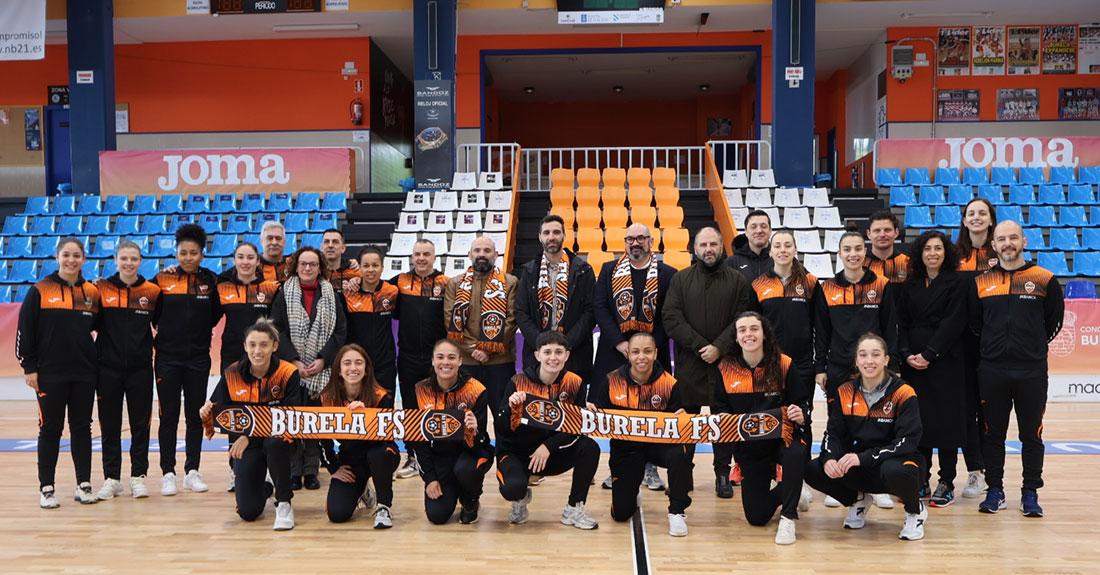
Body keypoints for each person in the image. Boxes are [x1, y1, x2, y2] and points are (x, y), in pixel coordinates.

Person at [968, 220, 1063, 517]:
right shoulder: (981, 282)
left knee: (1031, 434)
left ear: (1024, 241)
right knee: (992, 433)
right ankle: (994, 490)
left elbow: (1054, 323)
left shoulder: (1044, 279)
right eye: (1001, 239)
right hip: (992, 370)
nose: (1007, 243)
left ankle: (1030, 492)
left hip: (1031, 370)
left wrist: (1030, 347)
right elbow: (974, 325)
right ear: (993, 246)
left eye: (1013, 238)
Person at [804, 333, 928, 541]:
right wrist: (829, 459)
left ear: (886, 360)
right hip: (861, 465)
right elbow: (833, 434)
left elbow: (906, 443)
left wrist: (862, 458)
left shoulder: (904, 393)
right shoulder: (845, 392)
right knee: (813, 469)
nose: (869, 361)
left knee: (896, 470)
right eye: (863, 355)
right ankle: (858, 500)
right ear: (856, 361)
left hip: (897, 464)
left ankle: (915, 511)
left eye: (876, 355)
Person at [663, 226, 751, 498]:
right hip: (691, 364)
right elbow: (671, 318)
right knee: (686, 422)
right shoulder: (680, 279)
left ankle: (722, 474)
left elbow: (742, 319)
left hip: (727, 365)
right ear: (695, 249)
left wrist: (720, 348)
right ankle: (682, 473)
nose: (708, 249)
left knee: (722, 422)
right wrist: (703, 346)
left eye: (713, 244)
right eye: (703, 245)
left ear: (722, 247)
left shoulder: (737, 280)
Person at [814, 231, 898, 510]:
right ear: (839, 253)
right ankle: (841, 478)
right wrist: (820, 367)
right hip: (839, 369)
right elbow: (821, 333)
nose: (853, 254)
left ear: (866, 252)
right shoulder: (826, 288)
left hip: (874, 369)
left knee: (876, 424)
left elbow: (890, 329)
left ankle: (876, 483)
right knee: (839, 425)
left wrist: (892, 364)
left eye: (858, 248)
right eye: (847, 249)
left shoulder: (883, 284)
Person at [592, 223, 676, 491]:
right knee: (617, 412)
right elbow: (600, 307)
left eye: (641, 238)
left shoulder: (667, 274)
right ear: (625, 242)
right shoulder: (608, 270)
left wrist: (648, 347)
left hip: (652, 355)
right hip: (615, 351)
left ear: (651, 241)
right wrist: (619, 343)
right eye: (630, 238)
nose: (635, 243)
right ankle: (618, 466)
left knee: (653, 408)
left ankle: (649, 466)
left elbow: (668, 314)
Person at [17, 237, 101, 508]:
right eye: (66, 255)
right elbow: (24, 332)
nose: (71, 260)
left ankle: (84, 484)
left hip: (84, 374)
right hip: (49, 374)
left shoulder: (92, 292)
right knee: (50, 429)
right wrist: (29, 367)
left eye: (77, 255)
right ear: (57, 257)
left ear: (84, 259)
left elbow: (104, 329)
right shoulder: (40, 290)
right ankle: (47, 488)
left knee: (82, 428)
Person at [713, 313, 811, 544]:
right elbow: (719, 407)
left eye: (754, 329)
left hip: (782, 440)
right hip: (751, 448)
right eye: (743, 330)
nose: (749, 334)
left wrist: (801, 413)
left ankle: (788, 516)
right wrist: (723, 416)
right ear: (736, 337)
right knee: (757, 517)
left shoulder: (784, 363)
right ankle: (792, 491)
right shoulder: (725, 368)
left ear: (764, 333)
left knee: (796, 453)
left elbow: (802, 402)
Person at [199, 319, 302, 530]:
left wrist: (248, 435)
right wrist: (206, 413)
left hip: (282, 441)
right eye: (252, 345)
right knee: (248, 512)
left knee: (274, 443)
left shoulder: (288, 373)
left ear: (275, 346)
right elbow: (219, 411)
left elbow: (288, 417)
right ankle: (265, 486)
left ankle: (283, 503)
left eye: (264, 344)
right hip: (248, 445)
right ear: (245, 346)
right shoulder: (232, 373)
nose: (258, 350)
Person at [495, 331, 600, 529]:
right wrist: (509, 409)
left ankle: (574, 508)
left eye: (559, 352)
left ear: (567, 356)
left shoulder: (575, 383)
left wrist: (548, 446)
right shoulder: (518, 382)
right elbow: (501, 430)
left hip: (551, 454)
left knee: (590, 447)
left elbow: (575, 426)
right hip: (519, 453)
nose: (553, 357)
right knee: (512, 488)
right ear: (538, 355)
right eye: (548, 352)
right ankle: (520, 498)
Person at [594, 332, 692, 536]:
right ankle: (631, 486)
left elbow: (677, 424)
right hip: (626, 449)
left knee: (682, 451)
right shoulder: (611, 381)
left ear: (656, 353)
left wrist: (682, 419)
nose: (642, 357)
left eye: (647, 351)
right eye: (636, 352)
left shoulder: (670, 383)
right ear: (628, 354)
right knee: (621, 515)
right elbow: (598, 420)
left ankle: (677, 511)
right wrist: (591, 413)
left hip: (658, 447)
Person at [897, 231, 967, 506]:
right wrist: (906, 354)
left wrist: (929, 353)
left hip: (945, 361)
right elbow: (901, 322)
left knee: (947, 423)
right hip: (913, 362)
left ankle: (947, 481)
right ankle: (921, 479)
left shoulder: (957, 283)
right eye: (927, 249)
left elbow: (954, 322)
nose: (933, 253)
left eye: (938, 248)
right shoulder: (910, 283)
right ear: (920, 253)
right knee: (919, 422)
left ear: (946, 252)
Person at [153, 224, 222, 496]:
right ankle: (167, 473)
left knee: (196, 416)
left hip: (198, 359)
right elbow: (154, 315)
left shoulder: (211, 281)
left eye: (194, 252)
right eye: (183, 253)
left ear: (202, 254)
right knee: (168, 417)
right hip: (167, 359)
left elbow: (215, 315)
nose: (189, 257)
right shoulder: (162, 280)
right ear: (176, 253)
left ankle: (191, 470)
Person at [270, 246, 347, 491]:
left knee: (315, 422)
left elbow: (341, 331)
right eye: (303, 263)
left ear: (320, 267)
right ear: (295, 266)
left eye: (313, 264)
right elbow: (277, 329)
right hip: (290, 370)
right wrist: (293, 360)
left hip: (321, 371)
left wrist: (324, 359)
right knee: (293, 421)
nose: (307, 268)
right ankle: (294, 471)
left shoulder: (332, 294)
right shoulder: (284, 293)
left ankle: (312, 470)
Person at [93, 241, 162, 501]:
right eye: (124, 258)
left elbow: (161, 324)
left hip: (140, 369)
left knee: (139, 425)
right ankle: (112, 478)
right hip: (107, 369)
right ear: (115, 259)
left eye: (134, 258)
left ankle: (138, 477)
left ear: (141, 260)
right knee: (109, 425)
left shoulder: (152, 292)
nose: (129, 263)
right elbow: (93, 323)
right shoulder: (101, 288)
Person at [216, 241, 281, 492]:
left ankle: (265, 469)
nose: (245, 261)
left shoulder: (270, 288)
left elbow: (277, 322)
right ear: (234, 260)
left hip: (262, 356)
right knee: (234, 412)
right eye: (240, 257)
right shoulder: (222, 287)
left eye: (250, 257)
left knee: (263, 406)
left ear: (257, 261)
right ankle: (236, 468)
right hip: (232, 355)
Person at [413, 339, 493, 525]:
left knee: (465, 468)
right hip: (441, 457)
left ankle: (470, 501)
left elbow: (482, 442)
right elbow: (417, 441)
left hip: (470, 454)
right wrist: (430, 479)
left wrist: (473, 432)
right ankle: (452, 489)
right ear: (433, 361)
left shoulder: (476, 390)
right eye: (440, 357)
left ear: (460, 361)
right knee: (437, 516)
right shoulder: (420, 390)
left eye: (451, 357)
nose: (445, 362)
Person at [319, 344, 400, 528]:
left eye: (358, 363)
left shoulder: (381, 396)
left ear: (366, 369)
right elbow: (320, 438)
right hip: (351, 460)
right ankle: (362, 490)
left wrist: (367, 418)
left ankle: (383, 506)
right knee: (337, 514)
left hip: (382, 453)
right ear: (339, 370)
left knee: (379, 454)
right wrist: (333, 468)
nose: (353, 368)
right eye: (347, 363)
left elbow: (387, 436)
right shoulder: (327, 398)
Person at [391, 239, 450, 479]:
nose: (421, 258)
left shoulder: (446, 284)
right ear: (412, 257)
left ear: (435, 257)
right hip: (408, 357)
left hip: (438, 361)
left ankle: (442, 453)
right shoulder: (400, 282)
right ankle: (413, 457)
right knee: (411, 408)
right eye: (417, 254)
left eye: (427, 254)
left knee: (440, 405)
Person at [514, 214, 596, 382]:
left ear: (564, 236)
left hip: (574, 354)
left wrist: (565, 344)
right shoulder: (529, 271)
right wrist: (541, 344)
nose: (551, 237)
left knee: (572, 406)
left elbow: (590, 311)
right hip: (537, 356)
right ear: (540, 237)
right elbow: (521, 311)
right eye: (547, 233)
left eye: (556, 232)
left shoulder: (583, 270)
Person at [953, 197, 997, 499]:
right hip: (961, 345)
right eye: (972, 214)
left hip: (994, 344)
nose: (977, 217)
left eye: (983, 213)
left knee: (992, 412)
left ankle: (994, 474)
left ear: (991, 219)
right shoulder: (954, 256)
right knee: (967, 411)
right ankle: (975, 472)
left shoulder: (1003, 254)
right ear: (964, 221)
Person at [444, 236, 518, 415]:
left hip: (500, 361)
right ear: (470, 254)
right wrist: (474, 349)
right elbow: (449, 319)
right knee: (467, 416)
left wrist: (487, 349)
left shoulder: (511, 282)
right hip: (466, 361)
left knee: (504, 415)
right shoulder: (455, 283)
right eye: (477, 251)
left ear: (496, 255)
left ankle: (503, 445)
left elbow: (512, 319)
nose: (482, 255)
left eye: (487, 251)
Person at [344, 246, 399, 392]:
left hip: (385, 364)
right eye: (366, 265)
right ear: (360, 268)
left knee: (385, 409)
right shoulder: (348, 294)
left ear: (382, 267)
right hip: (357, 365)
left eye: (375, 265)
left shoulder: (392, 291)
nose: (371, 270)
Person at [725, 209, 773, 283]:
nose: (759, 231)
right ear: (746, 232)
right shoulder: (731, 264)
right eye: (753, 227)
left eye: (763, 226)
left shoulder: (780, 261)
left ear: (770, 231)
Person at [863, 210, 910, 284]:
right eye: (877, 230)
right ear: (868, 234)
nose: (882, 234)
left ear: (896, 232)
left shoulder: (908, 263)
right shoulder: (861, 265)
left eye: (887, 230)